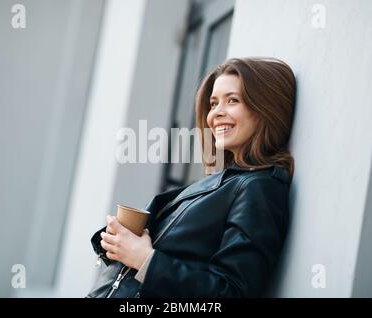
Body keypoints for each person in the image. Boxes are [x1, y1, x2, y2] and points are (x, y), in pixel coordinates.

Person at [87, 57, 296, 298]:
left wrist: (144, 259)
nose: (216, 113)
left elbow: (232, 294)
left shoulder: (260, 188)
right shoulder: (225, 181)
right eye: (214, 103)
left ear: (265, 109)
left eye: (233, 100)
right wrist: (120, 245)